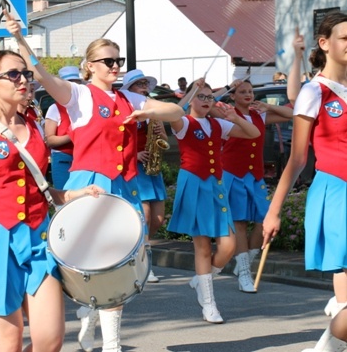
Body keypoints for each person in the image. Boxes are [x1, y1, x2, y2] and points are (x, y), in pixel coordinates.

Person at [8, 19, 184, 352]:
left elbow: (176, 109)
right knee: (90, 263)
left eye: (119, 61)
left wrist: (147, 113)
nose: (116, 66)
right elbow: (42, 73)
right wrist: (19, 37)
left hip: (124, 186)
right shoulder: (79, 95)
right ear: (90, 66)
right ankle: (93, 318)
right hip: (89, 186)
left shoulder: (131, 98)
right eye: (109, 61)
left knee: (117, 266)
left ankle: (109, 341)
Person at [0, 49, 104, 351]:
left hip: (38, 237)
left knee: (50, 339)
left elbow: (42, 188)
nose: (23, 80)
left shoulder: (33, 126)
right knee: (9, 341)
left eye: (25, 74)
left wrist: (73, 194)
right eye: (13, 74)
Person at [263, 12, 347, 352]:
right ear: (325, 44)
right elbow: (297, 160)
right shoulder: (316, 93)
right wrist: (274, 211)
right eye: (346, 38)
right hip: (337, 192)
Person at [168, 79, 259, 324]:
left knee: (228, 246)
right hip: (194, 184)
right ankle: (209, 303)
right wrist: (189, 95)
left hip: (216, 186)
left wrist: (234, 117)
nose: (207, 101)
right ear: (191, 100)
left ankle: (202, 278)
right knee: (203, 247)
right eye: (201, 96)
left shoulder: (218, 124)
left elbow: (254, 133)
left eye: (210, 97)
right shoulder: (184, 123)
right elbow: (173, 112)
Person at [218, 80, 292, 293]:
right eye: (242, 92)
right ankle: (243, 272)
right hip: (233, 173)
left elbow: (292, 115)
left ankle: (245, 261)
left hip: (255, 175)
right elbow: (206, 105)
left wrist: (268, 106)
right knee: (239, 223)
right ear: (233, 95)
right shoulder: (226, 114)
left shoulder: (259, 114)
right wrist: (226, 87)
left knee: (264, 221)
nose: (248, 95)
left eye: (250, 91)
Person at [121, 69, 166, 284]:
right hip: (134, 166)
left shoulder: (151, 111)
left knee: (158, 218)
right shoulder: (125, 110)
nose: (144, 89)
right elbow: (116, 141)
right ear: (129, 90)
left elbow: (164, 139)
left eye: (145, 85)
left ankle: (137, 251)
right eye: (139, 85)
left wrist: (156, 125)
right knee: (144, 216)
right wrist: (135, 153)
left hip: (150, 168)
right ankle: (145, 264)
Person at [44, 66, 82, 190]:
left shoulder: (86, 107)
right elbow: (49, 140)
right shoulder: (55, 108)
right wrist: (73, 135)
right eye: (70, 84)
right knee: (64, 200)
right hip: (63, 159)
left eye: (76, 84)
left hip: (84, 158)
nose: (73, 88)